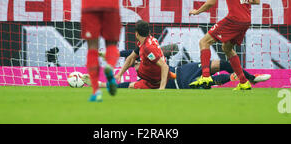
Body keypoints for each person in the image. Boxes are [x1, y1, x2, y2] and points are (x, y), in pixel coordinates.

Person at [189, 0, 260, 90]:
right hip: (246, 20)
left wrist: (197, 11)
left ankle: (205, 76)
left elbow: (211, 2)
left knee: (204, 42)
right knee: (227, 48)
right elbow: (256, 0)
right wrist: (243, 0)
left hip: (234, 19)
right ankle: (244, 81)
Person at [86, 49, 271, 89]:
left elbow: (134, 52)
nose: (135, 62)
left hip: (185, 70)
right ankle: (230, 79)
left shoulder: (149, 58)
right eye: (134, 63)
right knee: (210, 83)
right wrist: (101, 84)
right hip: (182, 84)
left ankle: (250, 78)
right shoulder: (144, 80)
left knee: (217, 63)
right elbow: (126, 85)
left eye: (135, 61)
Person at [113, 20, 171, 89]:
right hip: (149, 79)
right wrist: (119, 74)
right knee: (130, 85)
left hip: (154, 83)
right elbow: (131, 58)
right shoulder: (146, 41)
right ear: (148, 31)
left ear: (136, 34)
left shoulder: (147, 48)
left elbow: (165, 66)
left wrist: (161, 88)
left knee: (129, 86)